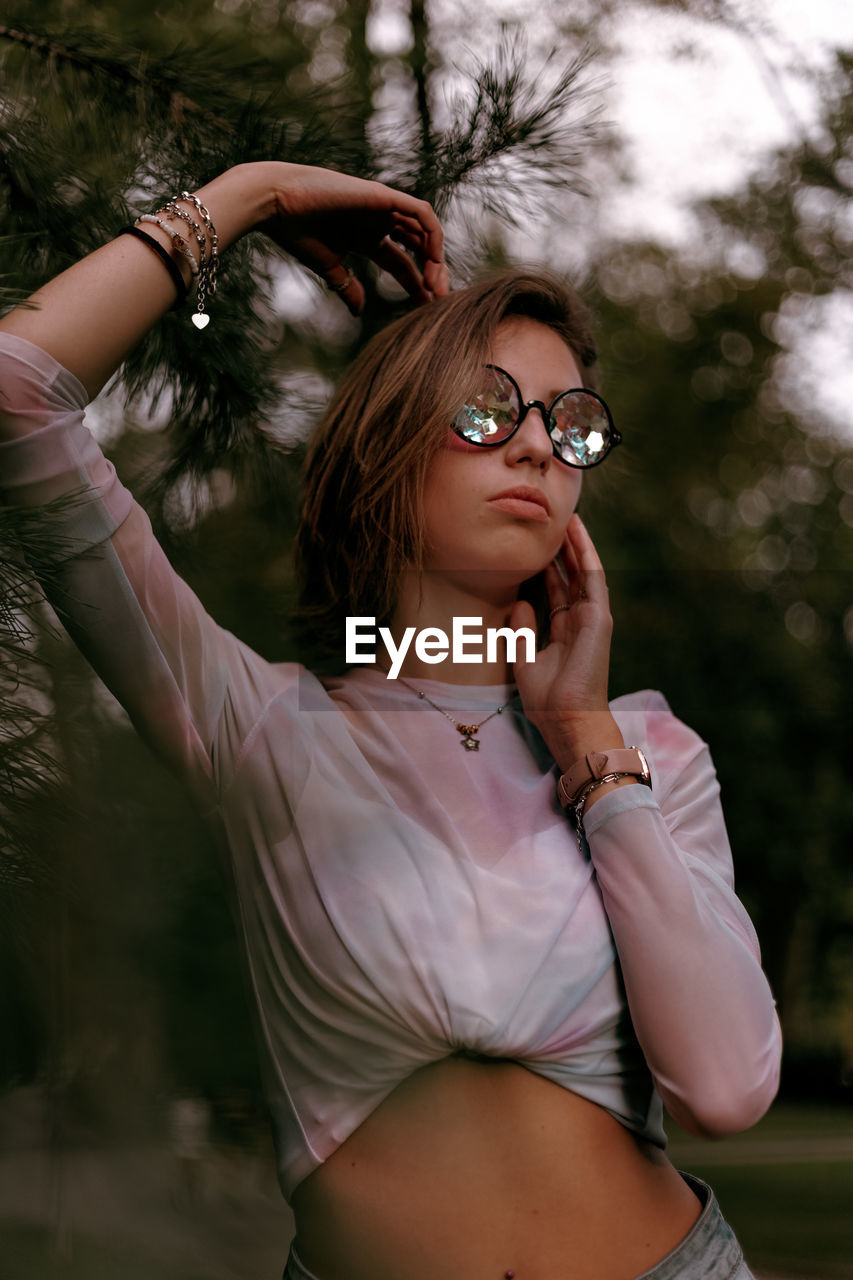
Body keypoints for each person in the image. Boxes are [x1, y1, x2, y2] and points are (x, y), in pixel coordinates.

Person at [0, 160, 782, 1280]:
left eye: (569, 424)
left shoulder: (646, 748)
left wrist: (588, 749)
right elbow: (18, 386)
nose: (533, 446)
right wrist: (254, 193)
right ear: (385, 441)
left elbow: (726, 1085)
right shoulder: (260, 725)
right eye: (484, 406)